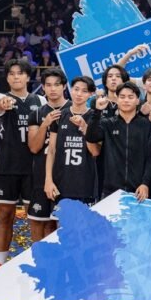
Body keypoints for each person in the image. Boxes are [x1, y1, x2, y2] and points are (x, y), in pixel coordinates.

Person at [0, 59, 42, 267]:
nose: (16, 76)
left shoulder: (40, 100)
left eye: (20, 73)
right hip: (7, 166)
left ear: (28, 76)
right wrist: (4, 102)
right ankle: (0, 263)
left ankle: (40, 263)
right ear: (7, 78)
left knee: (35, 217)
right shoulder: (0, 97)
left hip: (33, 167)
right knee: (5, 215)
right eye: (11, 73)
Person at [86, 82, 151, 201]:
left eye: (130, 97)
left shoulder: (147, 125)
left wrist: (145, 183)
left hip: (139, 191)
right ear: (117, 99)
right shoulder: (108, 123)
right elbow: (91, 137)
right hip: (110, 190)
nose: (126, 100)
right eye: (122, 97)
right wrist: (97, 112)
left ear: (138, 101)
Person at [44, 77, 101, 211]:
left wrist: (84, 127)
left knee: (84, 223)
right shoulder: (59, 116)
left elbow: (95, 152)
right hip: (61, 183)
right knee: (62, 223)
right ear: (70, 90)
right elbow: (51, 151)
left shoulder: (95, 117)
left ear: (91, 94)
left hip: (86, 184)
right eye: (76, 89)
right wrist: (48, 180)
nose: (79, 94)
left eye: (84, 91)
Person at [27, 68, 69, 241]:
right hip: (41, 174)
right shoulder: (36, 113)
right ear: (43, 87)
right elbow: (34, 148)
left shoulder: (74, 110)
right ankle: (39, 256)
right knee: (39, 222)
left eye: (57, 85)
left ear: (64, 86)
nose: (53, 89)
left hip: (69, 174)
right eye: (48, 85)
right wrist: (45, 124)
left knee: (62, 224)